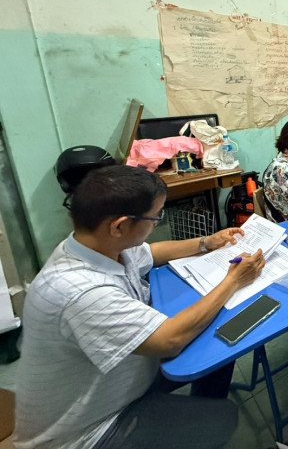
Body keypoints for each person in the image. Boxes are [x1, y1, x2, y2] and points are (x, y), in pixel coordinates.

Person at [14, 165, 267, 449]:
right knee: (220, 419)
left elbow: (152, 252)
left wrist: (206, 242)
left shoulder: (96, 244)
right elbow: (170, 340)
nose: (157, 222)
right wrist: (233, 281)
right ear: (119, 226)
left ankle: (186, 410)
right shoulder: (79, 291)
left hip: (125, 378)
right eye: (156, 216)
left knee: (218, 352)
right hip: (93, 430)